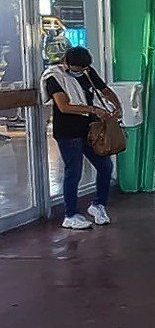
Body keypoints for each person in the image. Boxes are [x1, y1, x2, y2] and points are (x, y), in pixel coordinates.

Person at [39, 46, 122, 230]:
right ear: (67, 64)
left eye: (85, 69)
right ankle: (70, 215)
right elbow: (64, 106)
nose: (82, 72)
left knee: (105, 165)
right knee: (73, 172)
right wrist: (92, 109)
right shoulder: (55, 77)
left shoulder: (87, 72)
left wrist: (117, 105)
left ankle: (98, 205)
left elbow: (104, 90)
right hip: (68, 132)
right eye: (79, 69)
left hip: (90, 129)